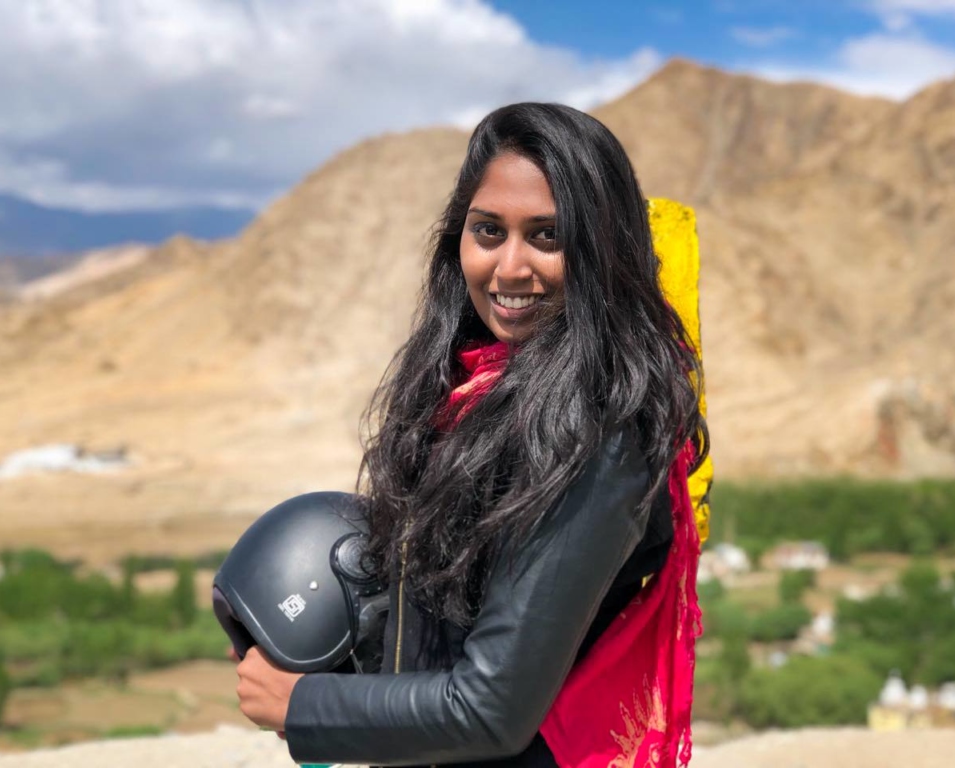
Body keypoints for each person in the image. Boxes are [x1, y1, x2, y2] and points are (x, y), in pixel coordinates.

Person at [233, 102, 709, 767]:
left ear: (603, 249)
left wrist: (302, 704)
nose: (510, 268)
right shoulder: (472, 391)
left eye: (548, 236)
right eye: (488, 231)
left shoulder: (596, 435)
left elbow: (491, 709)